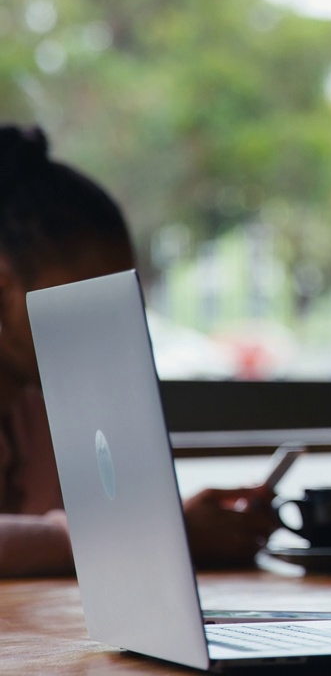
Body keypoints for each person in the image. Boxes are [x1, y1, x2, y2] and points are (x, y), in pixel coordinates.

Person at [0, 124, 279, 576]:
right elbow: (116, 529)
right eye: (87, 304)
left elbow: (119, 521)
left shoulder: (49, 405)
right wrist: (153, 533)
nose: (109, 333)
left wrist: (173, 527)